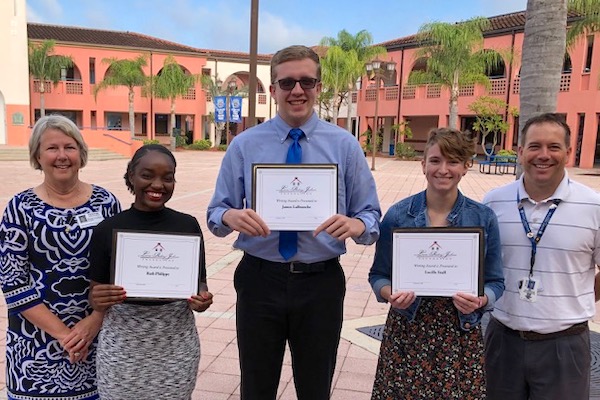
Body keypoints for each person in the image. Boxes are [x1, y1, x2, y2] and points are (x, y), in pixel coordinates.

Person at [207, 45, 381, 400]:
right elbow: (215, 214)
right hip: (260, 279)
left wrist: (356, 226)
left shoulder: (345, 146)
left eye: (306, 81)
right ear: (272, 90)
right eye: (287, 83)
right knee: (256, 386)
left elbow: (371, 216)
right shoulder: (244, 146)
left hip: (320, 283)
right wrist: (231, 215)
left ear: (319, 87)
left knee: (315, 388)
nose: (297, 90)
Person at [369, 128, 505, 399]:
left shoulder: (483, 218)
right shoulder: (398, 215)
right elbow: (378, 275)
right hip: (408, 330)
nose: (443, 169)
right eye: (435, 161)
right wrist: (390, 295)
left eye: (453, 161)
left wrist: (481, 300)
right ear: (423, 165)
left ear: (467, 166)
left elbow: (496, 282)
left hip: (459, 333)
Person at [0, 114, 121, 399]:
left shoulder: (106, 203)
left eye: (70, 147)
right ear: (37, 156)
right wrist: (66, 336)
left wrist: (93, 322)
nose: (62, 156)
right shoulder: (19, 208)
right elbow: (13, 283)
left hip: (96, 342)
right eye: (52, 148)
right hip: (34, 351)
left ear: (81, 153)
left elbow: (119, 273)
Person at [482, 113, 600, 400]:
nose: (543, 155)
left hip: (565, 345)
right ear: (520, 152)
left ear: (568, 153)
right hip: (502, 339)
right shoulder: (493, 202)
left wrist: (575, 298)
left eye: (554, 147)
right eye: (534, 146)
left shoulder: (594, 206)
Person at [87, 144, 213, 399]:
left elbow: (199, 284)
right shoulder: (107, 229)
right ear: (131, 175)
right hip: (123, 346)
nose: (158, 184)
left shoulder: (187, 225)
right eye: (147, 175)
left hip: (175, 344)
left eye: (167, 178)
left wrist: (202, 300)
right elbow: (94, 294)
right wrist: (98, 299)